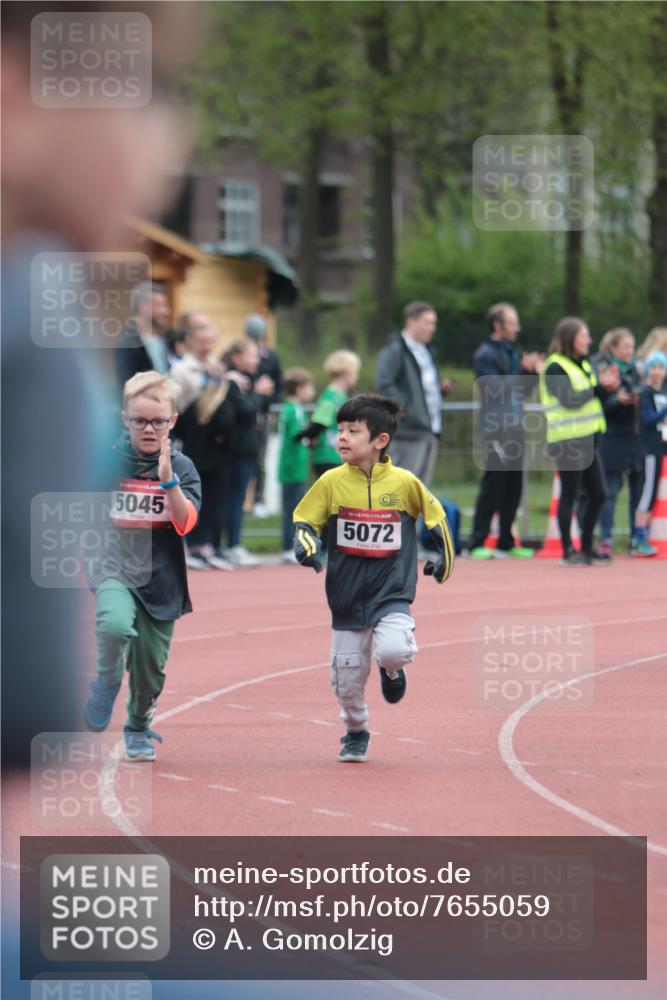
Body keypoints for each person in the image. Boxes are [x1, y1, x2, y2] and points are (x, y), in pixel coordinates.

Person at [292, 394, 455, 762]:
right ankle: (355, 730)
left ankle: (391, 671)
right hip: (346, 597)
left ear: (380, 440)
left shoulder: (404, 483)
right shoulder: (331, 482)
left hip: (392, 591)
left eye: (353, 431)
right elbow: (304, 519)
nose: (342, 437)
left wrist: (445, 559)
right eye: (340, 430)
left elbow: (437, 518)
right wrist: (306, 543)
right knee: (346, 681)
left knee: (394, 649)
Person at [83, 372, 201, 761]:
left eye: (158, 421)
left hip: (161, 577)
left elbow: (185, 523)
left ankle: (137, 726)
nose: (149, 429)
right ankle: (107, 679)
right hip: (113, 567)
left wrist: (168, 483)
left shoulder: (182, 467)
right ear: (125, 419)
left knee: (150, 667)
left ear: (173, 420)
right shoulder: (106, 462)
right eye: (140, 421)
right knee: (114, 625)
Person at [538, 317, 620, 565]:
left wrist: (608, 389)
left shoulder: (583, 364)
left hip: (587, 439)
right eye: (584, 336)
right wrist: (599, 387)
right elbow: (570, 399)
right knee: (570, 494)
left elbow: (591, 398)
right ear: (571, 338)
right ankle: (567, 550)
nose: (589, 340)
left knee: (599, 493)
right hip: (567, 440)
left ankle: (585, 546)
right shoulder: (554, 366)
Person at [469, 302, 543, 560]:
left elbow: (523, 391)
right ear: (497, 325)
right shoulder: (485, 355)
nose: (517, 328)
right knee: (494, 483)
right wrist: (523, 371)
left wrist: (531, 372)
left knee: (514, 485)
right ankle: (477, 541)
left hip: (516, 426)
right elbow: (494, 389)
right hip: (496, 428)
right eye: (512, 323)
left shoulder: (512, 352)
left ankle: (506, 541)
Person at [376, 301, 454, 486]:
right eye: (428, 322)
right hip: (408, 431)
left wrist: (439, 391)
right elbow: (384, 384)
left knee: (420, 491)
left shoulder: (427, 351)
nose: (432, 328)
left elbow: (421, 389)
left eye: (433, 323)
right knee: (401, 488)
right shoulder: (395, 350)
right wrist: (408, 410)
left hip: (430, 429)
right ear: (411, 321)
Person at [220, 338, 275, 566]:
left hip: (249, 448)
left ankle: (233, 544)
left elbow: (261, 407)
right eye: (251, 355)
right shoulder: (232, 382)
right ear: (237, 358)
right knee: (234, 498)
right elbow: (245, 410)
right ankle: (230, 545)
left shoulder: (249, 380)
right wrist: (259, 393)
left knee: (241, 497)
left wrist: (261, 393)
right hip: (236, 450)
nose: (256, 361)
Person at [592, 328, 643, 557]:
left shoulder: (636, 370)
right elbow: (598, 404)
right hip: (611, 438)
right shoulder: (602, 370)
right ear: (613, 348)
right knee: (610, 492)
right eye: (625, 347)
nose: (630, 351)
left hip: (634, 439)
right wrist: (616, 400)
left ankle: (635, 538)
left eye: (632, 347)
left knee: (637, 492)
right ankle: (606, 538)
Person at [245, 313, 282, 518]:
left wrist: (270, 409)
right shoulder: (241, 353)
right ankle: (244, 499)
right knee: (245, 459)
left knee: (261, 459)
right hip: (246, 414)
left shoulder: (272, 357)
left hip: (264, 414)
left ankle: (259, 499)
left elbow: (278, 385)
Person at [303, 350, 361, 477]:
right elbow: (318, 423)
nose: (357, 376)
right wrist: (306, 437)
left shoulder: (341, 396)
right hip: (327, 456)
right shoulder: (330, 397)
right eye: (355, 372)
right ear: (345, 372)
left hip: (337, 455)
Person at [278, 368, 316, 564]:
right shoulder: (290, 409)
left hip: (299, 466)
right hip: (291, 467)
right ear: (298, 388)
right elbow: (295, 434)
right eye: (309, 387)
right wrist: (314, 429)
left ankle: (293, 545)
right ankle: (288, 547)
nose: (312, 391)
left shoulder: (297, 408)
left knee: (298, 506)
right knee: (292, 508)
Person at [632, 351, 667, 556]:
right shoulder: (646, 393)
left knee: (654, 493)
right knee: (647, 492)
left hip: (661, 447)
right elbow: (648, 419)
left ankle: (643, 535)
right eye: (653, 367)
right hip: (649, 449)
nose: (657, 372)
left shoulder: (663, 392)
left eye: (661, 368)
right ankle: (639, 537)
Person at [114, 281, 172, 390]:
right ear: (143, 307)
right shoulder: (128, 343)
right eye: (160, 305)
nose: (166, 311)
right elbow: (127, 387)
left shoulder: (161, 339)